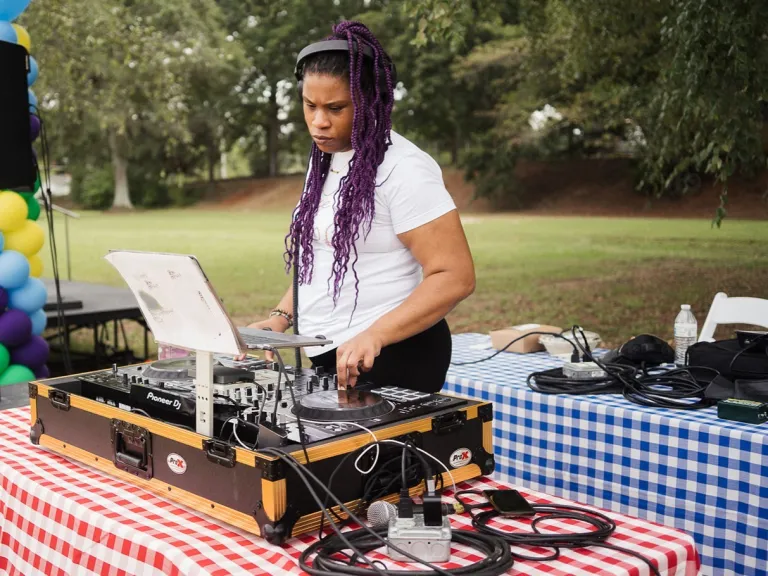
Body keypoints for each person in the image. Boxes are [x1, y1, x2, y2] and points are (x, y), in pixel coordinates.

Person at [246, 21, 475, 392]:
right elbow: (319, 256)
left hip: (395, 356)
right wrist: (280, 318)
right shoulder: (325, 158)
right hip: (331, 354)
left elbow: (456, 275)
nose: (319, 122)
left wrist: (375, 335)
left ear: (369, 102)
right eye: (310, 106)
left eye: (335, 108)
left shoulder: (404, 169)